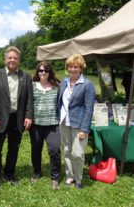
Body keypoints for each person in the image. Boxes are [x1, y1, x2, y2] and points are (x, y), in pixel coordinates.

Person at [0, 46, 33, 190]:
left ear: (19, 60)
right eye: (10, 58)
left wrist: (28, 116)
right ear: (5, 59)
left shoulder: (26, 76)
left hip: (18, 118)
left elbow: (29, 100)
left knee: (14, 148)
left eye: (15, 58)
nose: (12, 60)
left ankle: (9, 173)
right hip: (0, 119)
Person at [57, 53, 95, 189]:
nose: (73, 69)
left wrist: (84, 129)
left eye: (76, 67)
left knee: (78, 153)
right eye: (70, 67)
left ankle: (78, 179)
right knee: (66, 151)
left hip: (79, 124)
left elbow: (89, 108)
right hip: (63, 122)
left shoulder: (87, 84)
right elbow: (60, 103)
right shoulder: (64, 82)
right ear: (67, 68)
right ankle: (69, 176)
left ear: (81, 68)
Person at [29, 61, 61, 190]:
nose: (43, 73)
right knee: (36, 149)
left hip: (52, 124)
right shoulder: (31, 86)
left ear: (50, 72)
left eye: (46, 71)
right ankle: (37, 172)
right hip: (36, 124)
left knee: (54, 150)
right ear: (37, 72)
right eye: (40, 70)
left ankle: (55, 177)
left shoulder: (56, 86)